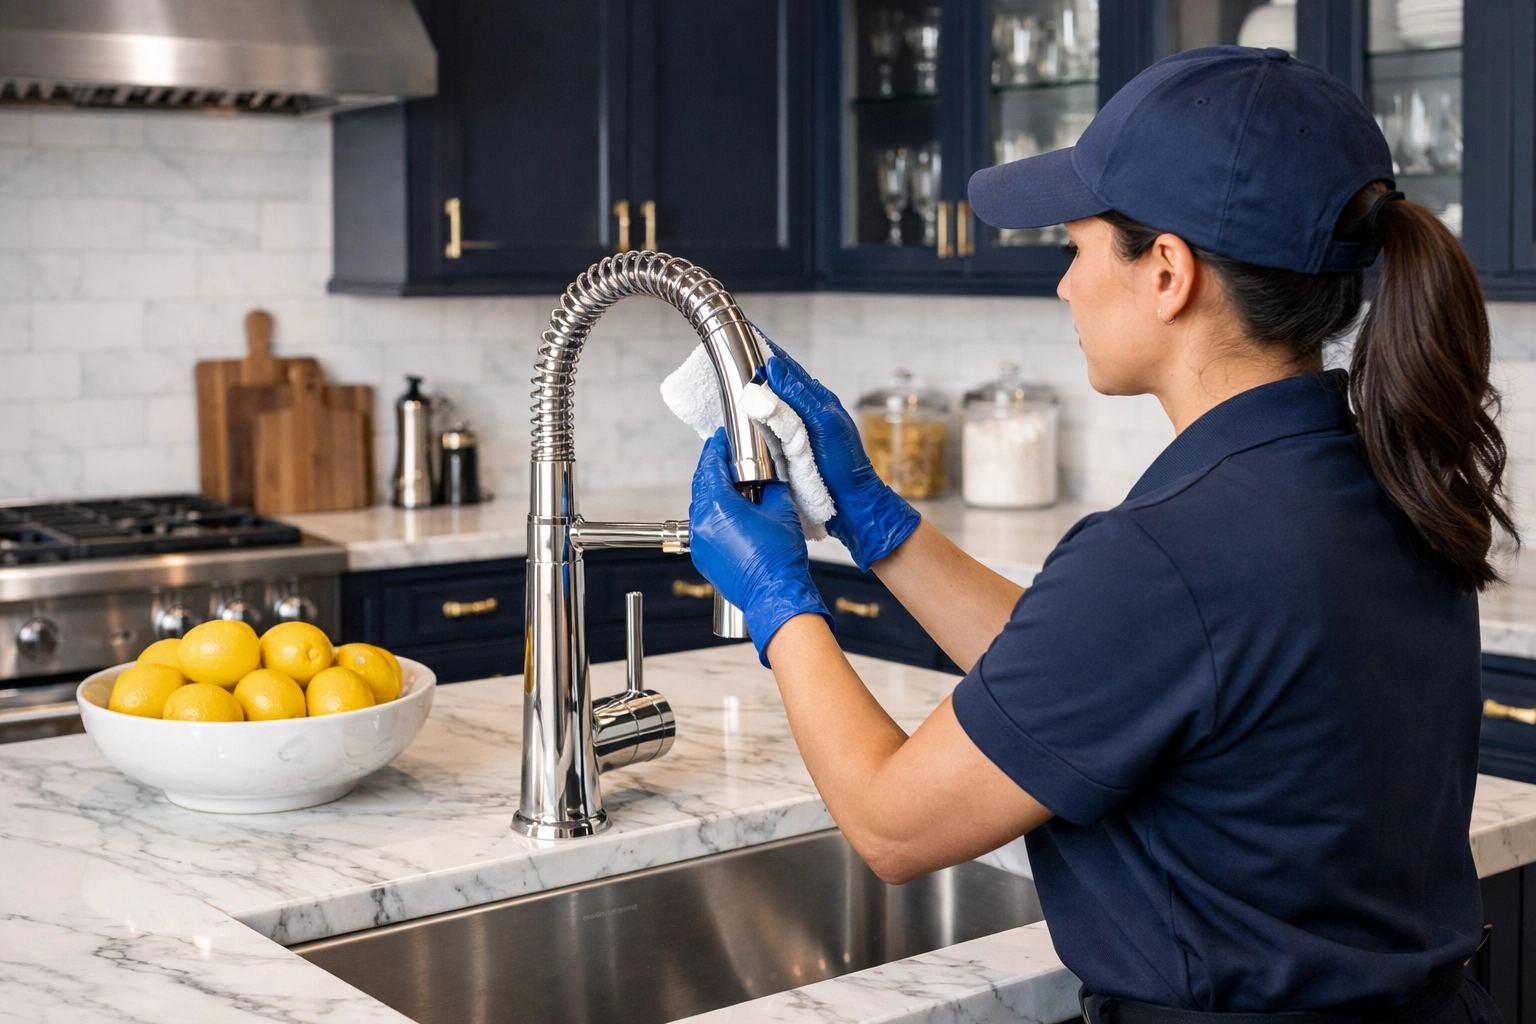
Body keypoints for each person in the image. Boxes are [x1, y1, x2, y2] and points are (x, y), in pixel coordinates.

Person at [686, 45, 1514, 1024]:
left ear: (1167, 271)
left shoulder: (1168, 553)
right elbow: (1096, 678)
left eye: (1076, 250)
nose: (1064, 288)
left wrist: (778, 598)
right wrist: (875, 520)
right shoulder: (1389, 476)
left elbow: (890, 823)